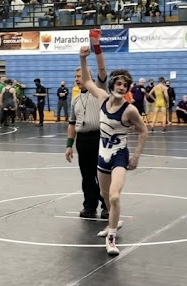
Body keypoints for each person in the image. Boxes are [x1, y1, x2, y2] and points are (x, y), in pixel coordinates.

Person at [79, 36, 148, 255]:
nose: (121, 87)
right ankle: (113, 222)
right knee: (104, 192)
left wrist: (135, 156)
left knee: (115, 195)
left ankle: (111, 237)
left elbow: (144, 131)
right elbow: (88, 81)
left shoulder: (130, 110)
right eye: (118, 83)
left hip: (119, 154)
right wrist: (82, 58)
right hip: (102, 154)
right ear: (112, 85)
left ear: (128, 88)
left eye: (125, 85)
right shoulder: (101, 97)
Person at [65, 30, 109, 220]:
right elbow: (72, 124)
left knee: (102, 175)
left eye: (80, 77)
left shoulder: (99, 90)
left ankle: (106, 205)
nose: (77, 79)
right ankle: (89, 205)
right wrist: (69, 145)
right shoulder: (74, 99)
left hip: (99, 137)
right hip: (83, 140)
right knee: (87, 175)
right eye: (75, 78)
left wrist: (94, 48)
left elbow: (101, 69)